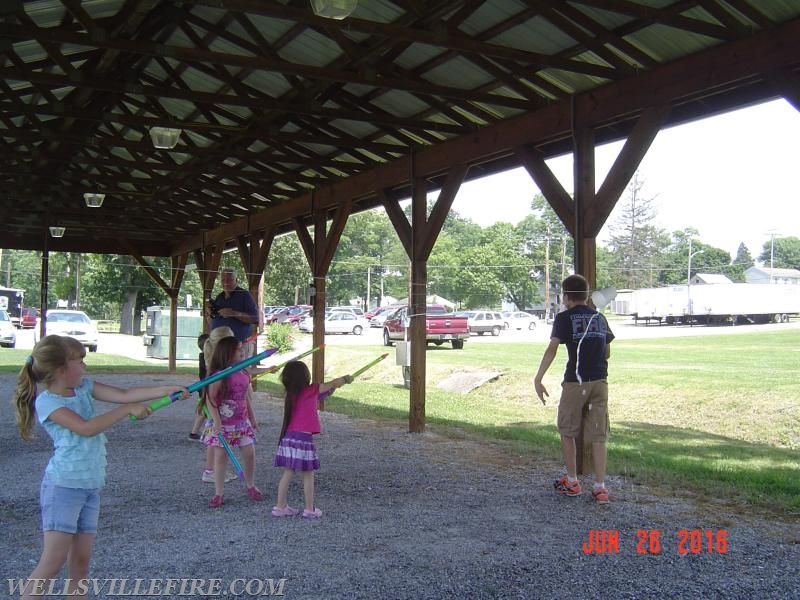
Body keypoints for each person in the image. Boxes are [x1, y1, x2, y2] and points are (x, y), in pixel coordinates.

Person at [12, 335, 187, 600]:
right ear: (61, 370)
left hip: (90, 484)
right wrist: (127, 410)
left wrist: (166, 389)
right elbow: (86, 428)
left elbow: (125, 394)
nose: (84, 367)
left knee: (81, 563)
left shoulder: (83, 387)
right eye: (80, 361)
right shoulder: (48, 402)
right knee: (53, 562)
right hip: (63, 487)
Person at [533, 274, 615, 504]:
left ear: (567, 296)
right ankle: (600, 487)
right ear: (587, 294)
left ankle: (572, 480)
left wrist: (538, 378)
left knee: (567, 430)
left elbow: (552, 348)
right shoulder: (600, 318)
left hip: (575, 381)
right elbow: (607, 351)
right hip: (600, 382)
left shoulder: (564, 317)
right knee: (599, 435)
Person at [272, 360, 352, 518]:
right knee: (308, 473)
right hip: (303, 439)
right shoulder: (312, 389)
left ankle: (280, 506)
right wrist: (344, 379)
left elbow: (324, 392)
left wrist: (333, 387)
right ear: (305, 376)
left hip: (289, 438)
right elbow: (331, 384)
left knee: (288, 472)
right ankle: (309, 509)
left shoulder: (291, 393)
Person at [200, 336, 263, 508]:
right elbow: (210, 399)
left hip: (242, 423)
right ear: (228, 353)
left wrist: (252, 418)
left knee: (250, 454)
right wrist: (217, 422)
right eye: (238, 349)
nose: (242, 352)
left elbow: (244, 398)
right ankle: (218, 493)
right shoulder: (219, 375)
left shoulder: (243, 372)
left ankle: (250, 485)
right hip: (223, 424)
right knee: (220, 457)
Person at [209, 267, 259, 357]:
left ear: (236, 280)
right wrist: (209, 315)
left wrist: (234, 313)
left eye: (230, 280)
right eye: (223, 280)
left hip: (240, 346)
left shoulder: (244, 295)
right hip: (221, 347)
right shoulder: (220, 297)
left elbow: (255, 319)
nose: (226, 283)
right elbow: (214, 320)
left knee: (239, 371)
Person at [188, 332, 210, 440]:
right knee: (206, 412)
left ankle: (194, 432)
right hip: (206, 389)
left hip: (205, 388)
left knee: (204, 412)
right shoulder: (206, 357)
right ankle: (197, 433)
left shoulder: (205, 356)